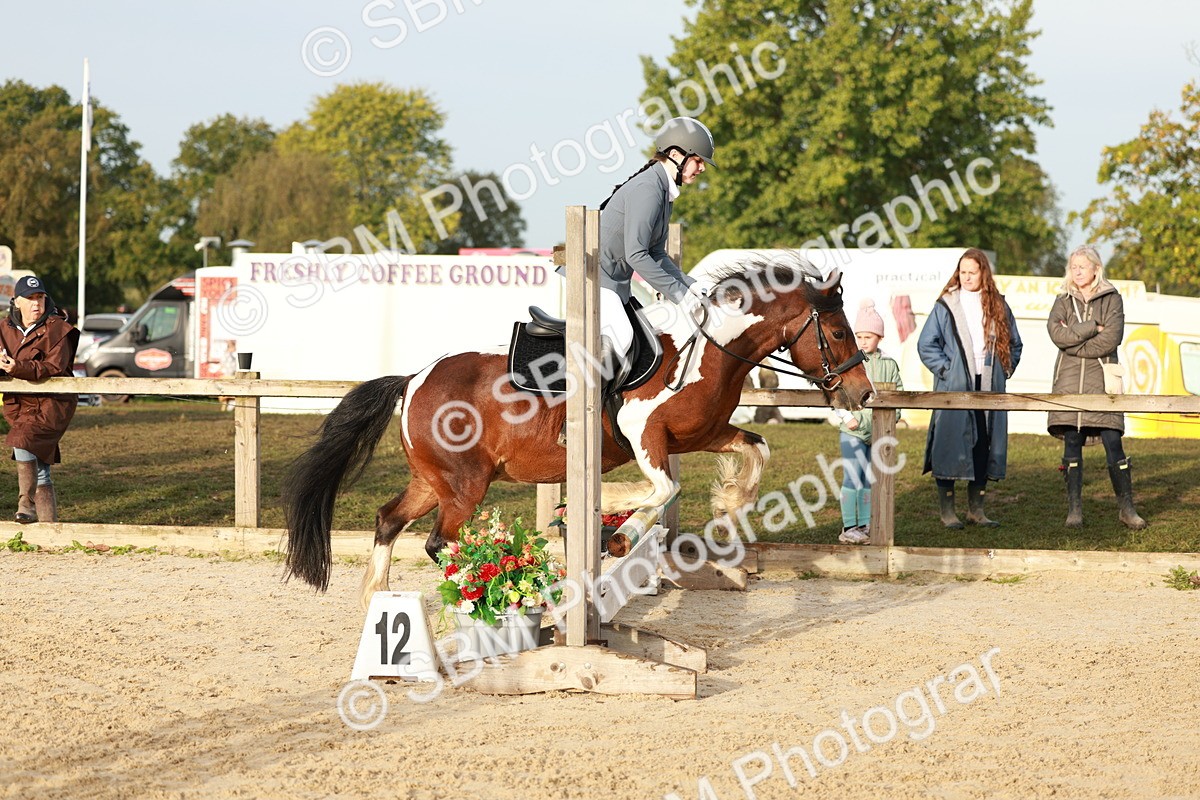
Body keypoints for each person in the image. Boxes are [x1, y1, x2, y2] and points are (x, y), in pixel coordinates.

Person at [556, 116, 717, 446]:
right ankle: (573, 420)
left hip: (611, 283)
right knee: (623, 335)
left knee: (648, 334)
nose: (701, 168)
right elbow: (637, 255)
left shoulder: (662, 189)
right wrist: (679, 294)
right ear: (676, 154)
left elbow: (656, 253)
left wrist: (689, 284)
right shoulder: (648, 189)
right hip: (590, 279)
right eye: (698, 160)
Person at [918, 249, 1022, 528]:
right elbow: (926, 344)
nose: (966, 277)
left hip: (988, 386)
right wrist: (948, 370)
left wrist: (1004, 370)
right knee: (949, 444)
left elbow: (1015, 344)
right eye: (962, 272)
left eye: (972, 272)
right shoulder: (946, 304)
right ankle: (947, 512)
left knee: (983, 445)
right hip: (955, 387)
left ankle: (976, 510)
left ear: (983, 273)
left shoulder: (998, 304)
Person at [1047, 245, 1147, 529]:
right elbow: (1057, 333)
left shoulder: (1113, 298)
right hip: (1068, 381)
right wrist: (1092, 326)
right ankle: (1074, 511)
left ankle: (1127, 509)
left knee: (1113, 441)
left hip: (1104, 383)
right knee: (1072, 441)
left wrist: (1075, 345)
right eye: (1073, 266)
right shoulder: (1062, 299)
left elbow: (1112, 338)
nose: (1077, 271)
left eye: (1082, 266)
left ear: (1095, 268)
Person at [0, 276, 80, 523]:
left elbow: (54, 367)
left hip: (52, 403)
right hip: (20, 403)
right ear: (17, 302)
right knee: (41, 469)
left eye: (40, 297)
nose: (36, 303)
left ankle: (26, 504)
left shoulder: (59, 329)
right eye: (30, 298)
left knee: (22, 440)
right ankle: (49, 529)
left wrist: (17, 367)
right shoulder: (3, 329)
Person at [831, 300, 902, 544]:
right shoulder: (849, 363)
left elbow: (898, 393)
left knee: (869, 478)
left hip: (878, 432)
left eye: (868, 336)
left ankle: (865, 524)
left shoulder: (889, 365)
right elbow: (835, 392)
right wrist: (847, 417)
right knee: (852, 476)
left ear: (879, 337)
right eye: (859, 336)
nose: (862, 341)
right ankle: (849, 526)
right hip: (853, 431)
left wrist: (894, 417)